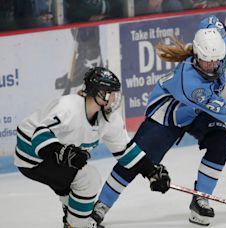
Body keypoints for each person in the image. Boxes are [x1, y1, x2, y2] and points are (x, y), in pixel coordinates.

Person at [90, 15, 226, 226]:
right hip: (168, 114)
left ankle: (200, 199)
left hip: (195, 112)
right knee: (135, 161)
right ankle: (100, 206)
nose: (211, 65)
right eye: (205, 60)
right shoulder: (190, 82)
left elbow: (213, 21)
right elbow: (223, 110)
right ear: (196, 54)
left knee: (220, 142)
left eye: (216, 60)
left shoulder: (218, 44)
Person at [14, 67, 170, 228]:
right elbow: (39, 135)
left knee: (76, 190)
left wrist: (151, 171)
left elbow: (125, 151)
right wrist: (62, 152)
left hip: (51, 157)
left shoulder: (109, 119)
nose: (115, 99)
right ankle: (77, 225)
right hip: (31, 154)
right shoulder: (69, 107)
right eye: (111, 93)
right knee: (88, 178)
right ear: (99, 93)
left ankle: (73, 218)